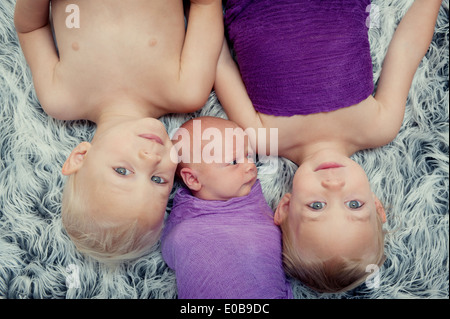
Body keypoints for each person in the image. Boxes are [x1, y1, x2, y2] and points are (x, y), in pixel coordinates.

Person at [214, 0, 443, 292]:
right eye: (354, 204)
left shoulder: (263, 139)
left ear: (284, 207)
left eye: (317, 206)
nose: (334, 186)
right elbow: (407, 49)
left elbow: (220, 64)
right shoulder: (378, 127)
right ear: (377, 206)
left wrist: (202, 10)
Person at [14, 0, 223, 264]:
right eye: (158, 180)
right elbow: (205, 5)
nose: (150, 159)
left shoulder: (60, 97)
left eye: (122, 171)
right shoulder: (187, 90)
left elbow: (31, 28)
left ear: (80, 156)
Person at [161, 116, 293, 298]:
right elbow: (173, 248)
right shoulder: (187, 218)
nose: (250, 166)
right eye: (233, 162)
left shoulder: (252, 190)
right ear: (193, 179)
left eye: (248, 155)